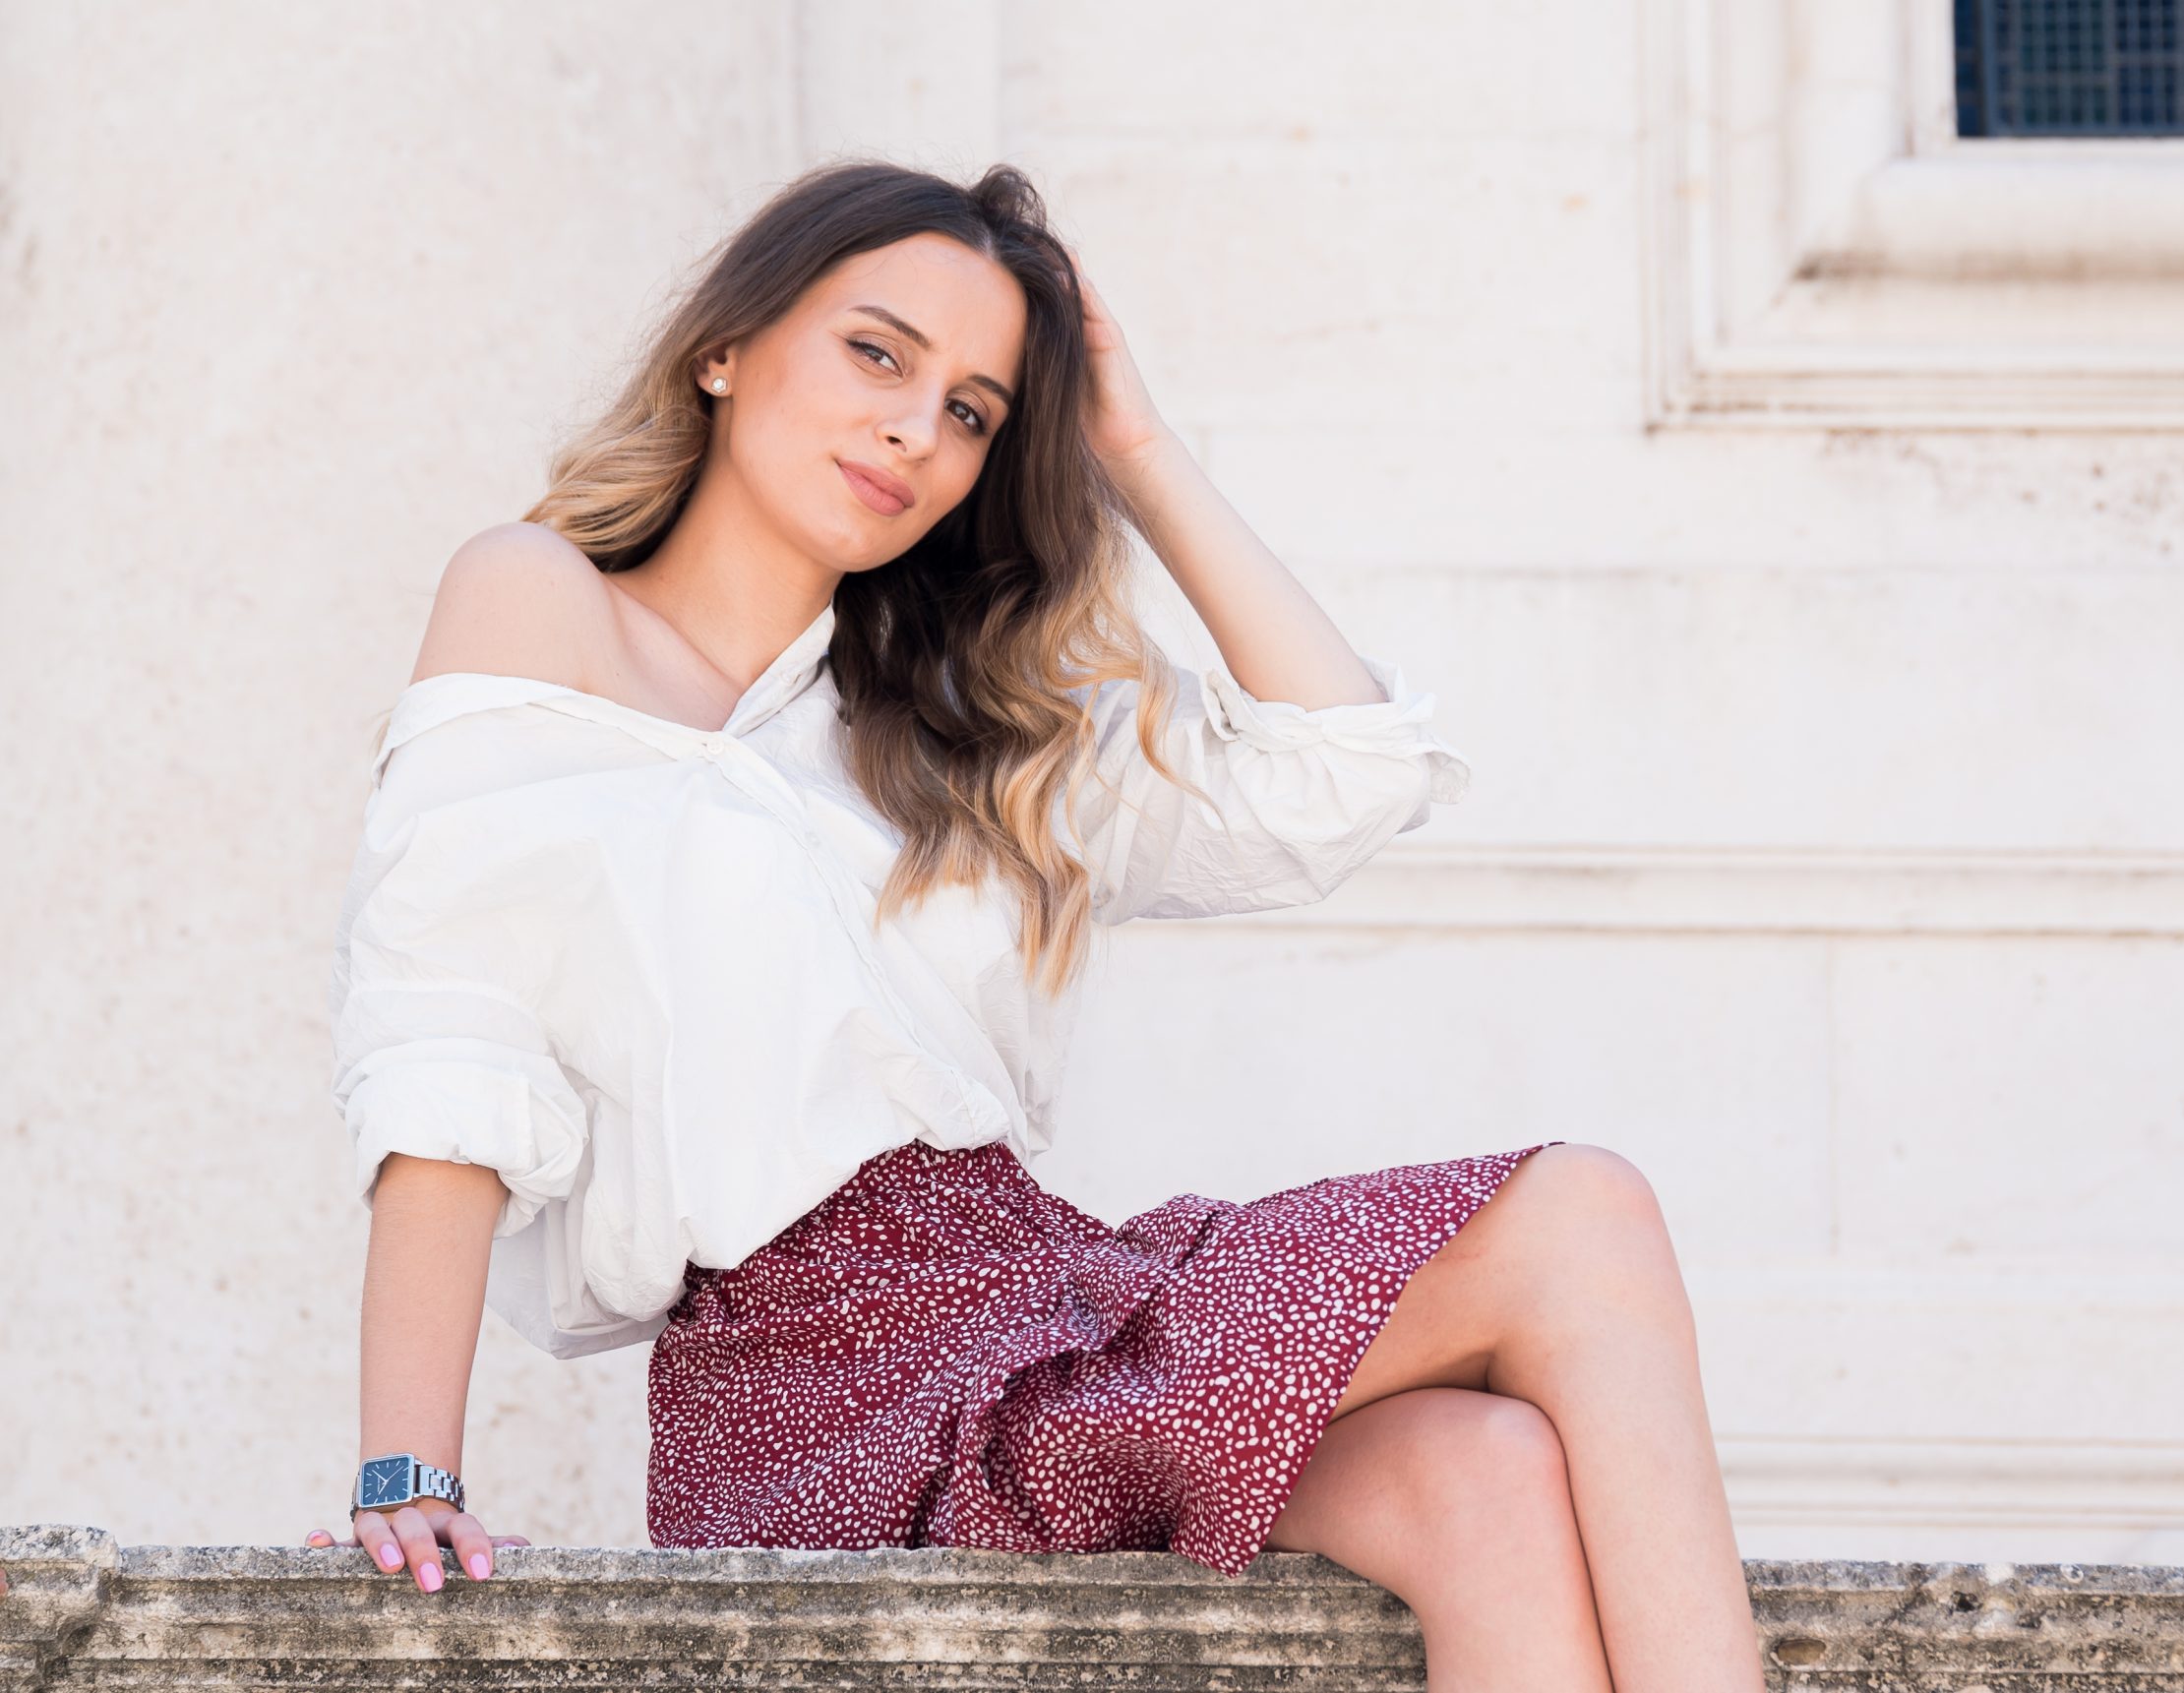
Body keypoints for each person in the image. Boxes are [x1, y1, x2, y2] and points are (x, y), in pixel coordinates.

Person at [301, 158, 1767, 1693]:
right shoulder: (540, 598)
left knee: (1485, 1477)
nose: (914, 431)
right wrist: (408, 1467)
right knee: (1581, 1216)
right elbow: (451, 1040)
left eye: (973, 412)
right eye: (877, 353)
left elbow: (1345, 775)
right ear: (725, 347)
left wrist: (1137, 450)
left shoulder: (965, 720)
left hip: (1038, 1306)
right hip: (823, 1399)